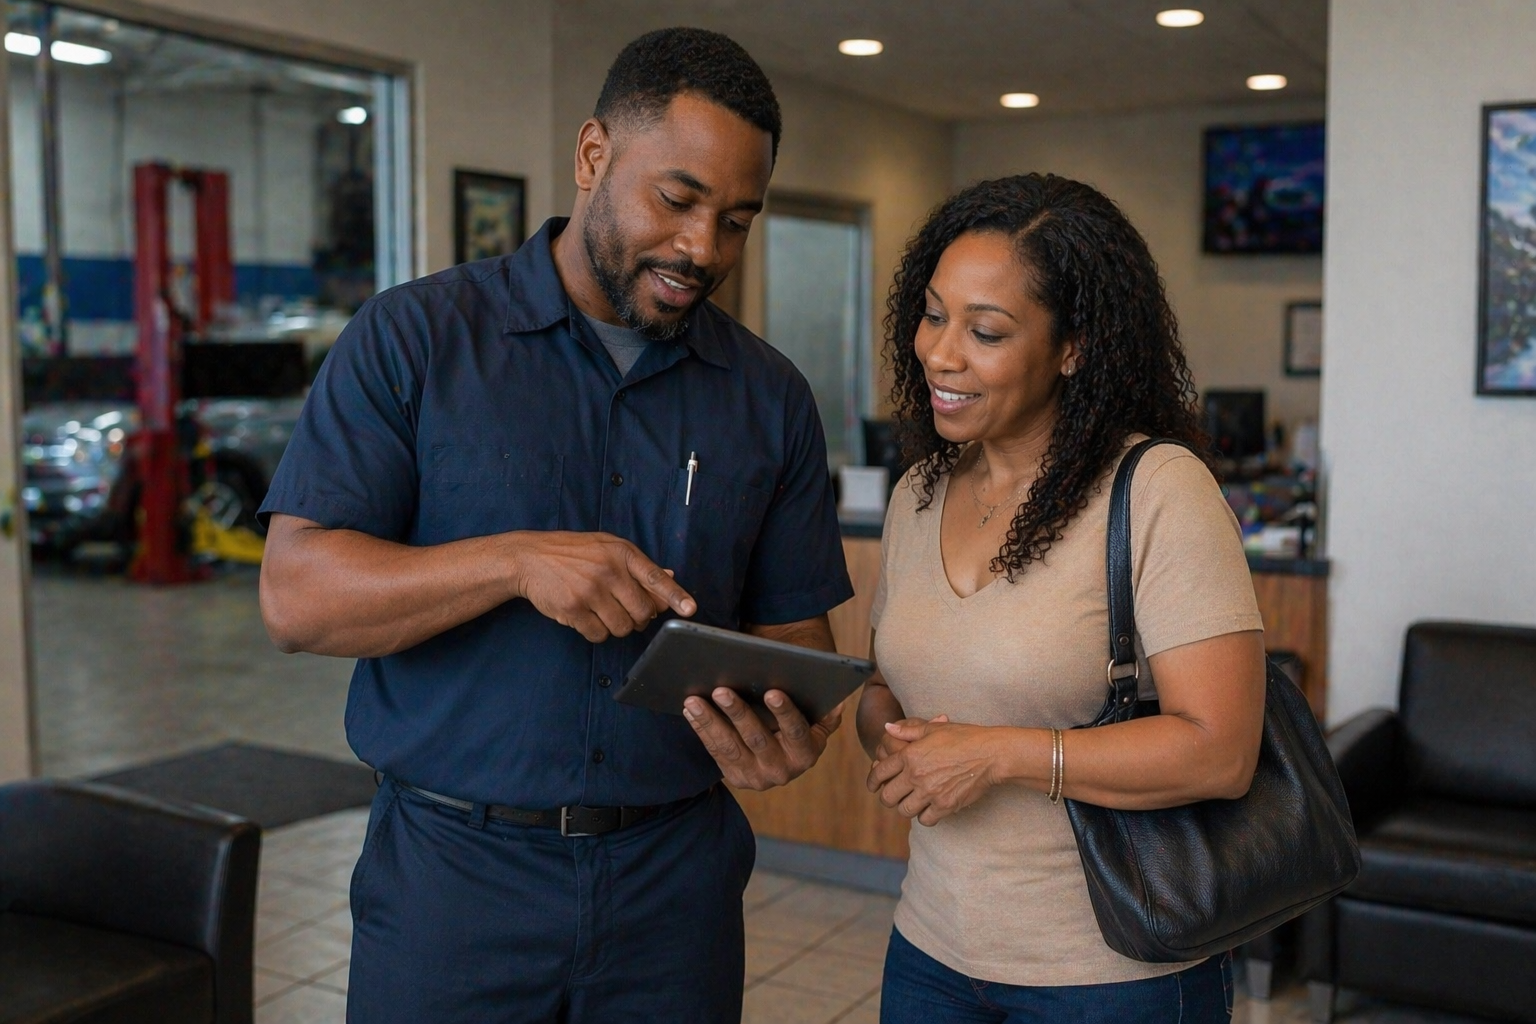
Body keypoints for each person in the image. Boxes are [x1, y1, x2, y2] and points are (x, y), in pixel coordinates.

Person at [257, 28, 853, 1024]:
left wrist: (788, 730)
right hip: (453, 881)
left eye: (736, 220)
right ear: (592, 157)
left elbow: (799, 642)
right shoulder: (414, 340)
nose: (703, 248)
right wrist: (512, 563)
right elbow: (297, 596)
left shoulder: (770, 397)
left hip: (677, 888)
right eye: (678, 199)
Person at [857, 174, 1267, 1023]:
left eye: (987, 331)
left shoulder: (1155, 490)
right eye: (933, 315)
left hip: (1114, 974)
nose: (940, 353)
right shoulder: (919, 493)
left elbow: (1220, 751)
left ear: (1073, 346)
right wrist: (894, 740)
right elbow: (885, 690)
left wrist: (1000, 755)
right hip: (929, 952)